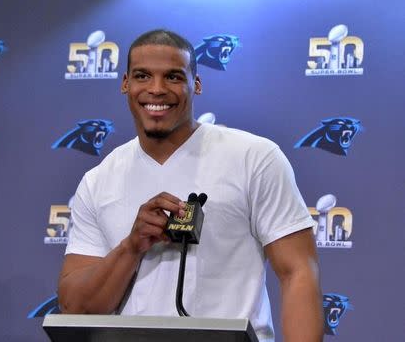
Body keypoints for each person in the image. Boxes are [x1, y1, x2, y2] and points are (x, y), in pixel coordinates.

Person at [58, 29, 323, 342]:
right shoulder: (98, 180)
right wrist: (132, 246)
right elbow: (77, 308)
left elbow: (298, 273)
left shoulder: (254, 157)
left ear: (195, 85)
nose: (156, 90)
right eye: (143, 76)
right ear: (125, 83)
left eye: (172, 77)